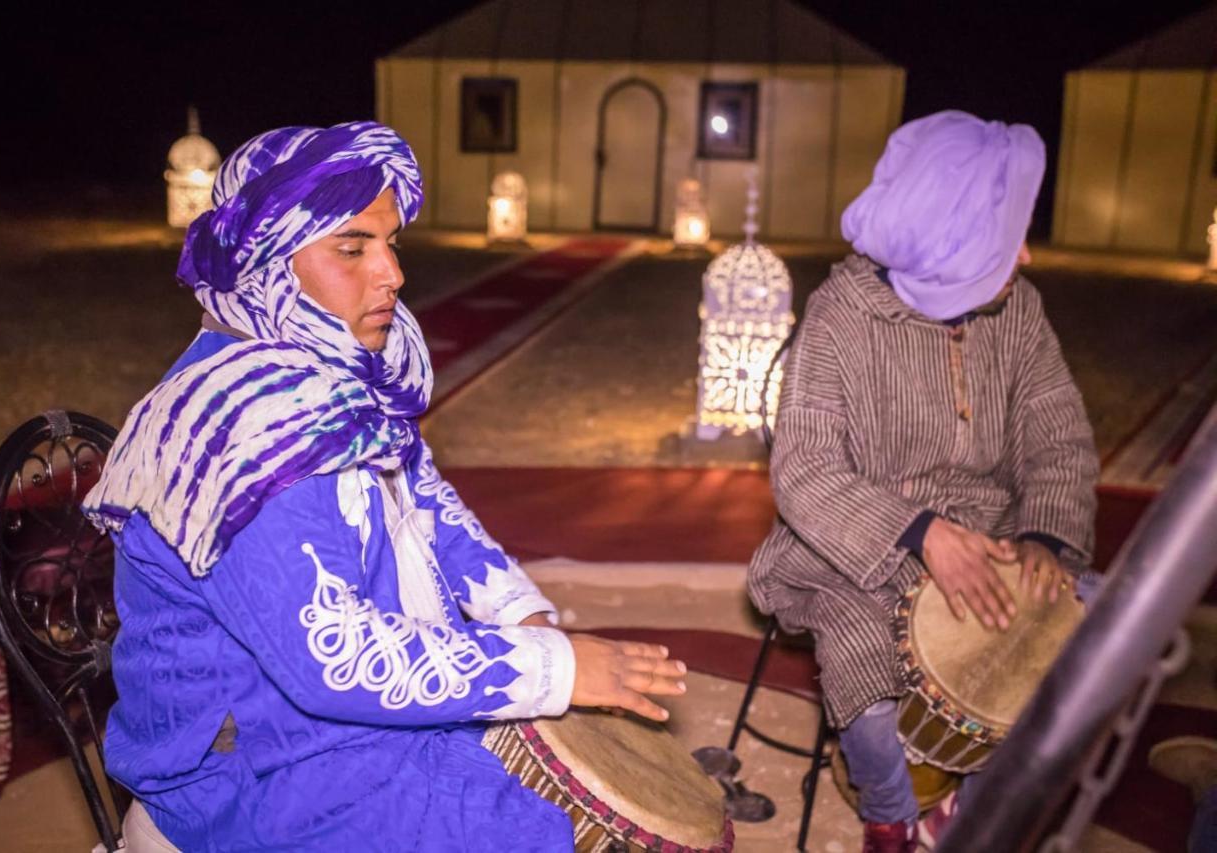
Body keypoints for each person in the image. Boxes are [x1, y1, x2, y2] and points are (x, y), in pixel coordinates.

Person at [82, 121, 687, 852]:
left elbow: (424, 500)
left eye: (390, 241)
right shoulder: (248, 432)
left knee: (523, 788)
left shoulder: (330, 373)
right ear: (267, 259)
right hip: (249, 771)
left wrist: (521, 616)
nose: (391, 273)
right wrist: (553, 669)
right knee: (532, 831)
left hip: (326, 727)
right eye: (352, 247)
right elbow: (335, 656)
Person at [747, 110, 1099, 853]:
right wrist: (922, 534)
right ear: (950, 249)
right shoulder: (843, 316)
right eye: (1006, 240)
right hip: (851, 539)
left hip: (994, 527)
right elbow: (804, 470)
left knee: (1093, 626)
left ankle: (963, 809)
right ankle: (888, 811)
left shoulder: (1020, 313)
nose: (1026, 254)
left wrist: (1043, 534)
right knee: (861, 647)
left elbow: (1059, 436)